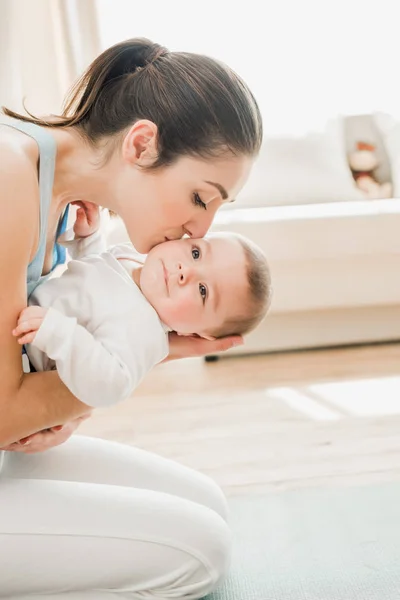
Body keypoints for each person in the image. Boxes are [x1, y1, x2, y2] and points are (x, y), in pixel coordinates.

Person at [0, 37, 262, 598]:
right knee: (200, 553)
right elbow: (2, 414)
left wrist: (59, 395)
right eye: (200, 197)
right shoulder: (8, 180)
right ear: (142, 144)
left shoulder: (64, 201)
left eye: (217, 209)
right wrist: (146, 357)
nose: (202, 232)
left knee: (207, 504)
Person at [12, 215, 271, 409]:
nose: (186, 272)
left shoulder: (143, 333)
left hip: (23, 357)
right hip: (23, 308)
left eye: (203, 291)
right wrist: (88, 239)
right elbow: (95, 283)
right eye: (196, 253)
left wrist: (60, 335)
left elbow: (109, 384)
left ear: (196, 334)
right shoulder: (136, 258)